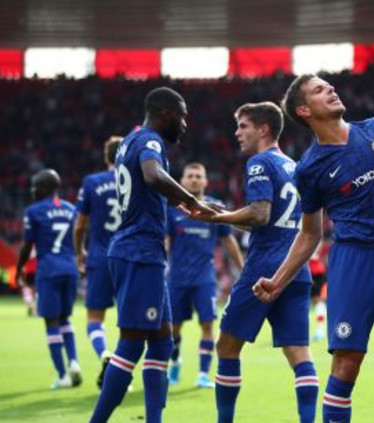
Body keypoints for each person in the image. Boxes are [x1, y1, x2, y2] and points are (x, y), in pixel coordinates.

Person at [253, 74, 374, 423]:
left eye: (328, 85)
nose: (330, 89)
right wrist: (278, 279)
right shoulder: (309, 168)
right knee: (347, 364)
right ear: (304, 110)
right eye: (319, 90)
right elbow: (310, 233)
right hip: (353, 260)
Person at [184, 102, 319, 423]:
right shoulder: (296, 167)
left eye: (243, 126)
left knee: (227, 347)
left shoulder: (260, 162)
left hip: (263, 269)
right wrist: (225, 214)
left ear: (264, 129)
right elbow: (270, 221)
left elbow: (260, 214)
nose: (237, 133)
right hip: (295, 269)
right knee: (299, 353)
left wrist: (218, 218)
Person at [89, 87, 215, 423]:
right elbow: (152, 175)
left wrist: (184, 202)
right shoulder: (150, 141)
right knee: (131, 344)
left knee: (161, 344)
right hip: (139, 251)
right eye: (182, 117)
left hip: (143, 251)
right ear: (166, 114)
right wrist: (192, 200)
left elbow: (150, 185)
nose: (185, 124)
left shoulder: (129, 141)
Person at [165, 162, 244, 389]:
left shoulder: (214, 208)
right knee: (174, 328)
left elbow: (228, 239)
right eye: (190, 176)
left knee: (208, 325)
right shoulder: (173, 209)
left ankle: (202, 374)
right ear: (182, 181)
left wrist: (243, 269)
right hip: (177, 277)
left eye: (198, 176)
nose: (194, 179)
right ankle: (175, 364)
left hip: (204, 278)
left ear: (206, 181)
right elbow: (165, 241)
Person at [16, 169, 82, 389]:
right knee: (65, 319)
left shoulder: (33, 211)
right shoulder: (71, 209)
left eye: (35, 186)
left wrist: (20, 268)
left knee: (51, 322)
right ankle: (74, 362)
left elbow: (27, 246)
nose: (32, 190)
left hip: (49, 270)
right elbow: (79, 236)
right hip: (70, 269)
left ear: (45, 188)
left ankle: (62, 375)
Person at [74, 136, 122, 388]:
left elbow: (79, 225)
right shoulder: (136, 181)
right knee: (129, 321)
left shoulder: (92, 182)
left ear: (106, 157)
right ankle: (122, 371)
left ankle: (104, 353)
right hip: (128, 257)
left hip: (100, 256)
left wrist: (79, 253)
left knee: (94, 317)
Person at [309, 242, 328, 342]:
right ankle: (319, 331)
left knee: (318, 301)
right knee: (316, 301)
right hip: (313, 271)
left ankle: (320, 331)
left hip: (315, 272)